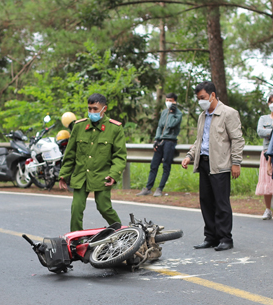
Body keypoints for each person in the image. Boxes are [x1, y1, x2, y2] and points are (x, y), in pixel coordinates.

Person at [181, 81, 245, 251]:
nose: (200, 101)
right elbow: (199, 140)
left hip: (221, 164)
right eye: (198, 98)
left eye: (203, 97)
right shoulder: (203, 115)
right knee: (206, 202)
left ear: (213, 95)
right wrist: (189, 156)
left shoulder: (228, 113)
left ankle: (225, 238)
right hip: (203, 162)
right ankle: (211, 237)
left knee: (221, 202)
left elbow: (237, 140)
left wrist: (236, 162)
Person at [59, 93, 127, 232]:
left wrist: (114, 174)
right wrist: (64, 174)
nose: (92, 112)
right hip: (81, 175)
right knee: (76, 208)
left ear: (104, 109)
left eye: (95, 109)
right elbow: (70, 153)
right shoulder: (79, 126)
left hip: (102, 175)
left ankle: (122, 232)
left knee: (104, 207)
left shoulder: (114, 128)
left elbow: (119, 156)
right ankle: (76, 240)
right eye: (89, 109)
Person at [137, 93, 183, 197]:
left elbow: (171, 124)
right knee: (154, 165)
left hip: (170, 142)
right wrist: (156, 139)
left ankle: (159, 189)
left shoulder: (178, 114)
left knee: (166, 166)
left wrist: (172, 112)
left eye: (170, 100)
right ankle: (148, 188)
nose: (168, 102)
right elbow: (159, 126)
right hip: (161, 141)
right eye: (167, 100)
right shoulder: (164, 112)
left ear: (175, 101)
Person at [255, 94, 273, 220]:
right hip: (266, 152)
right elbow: (260, 132)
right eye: (271, 102)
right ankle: (268, 209)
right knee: (266, 182)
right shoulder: (263, 118)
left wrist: (270, 131)